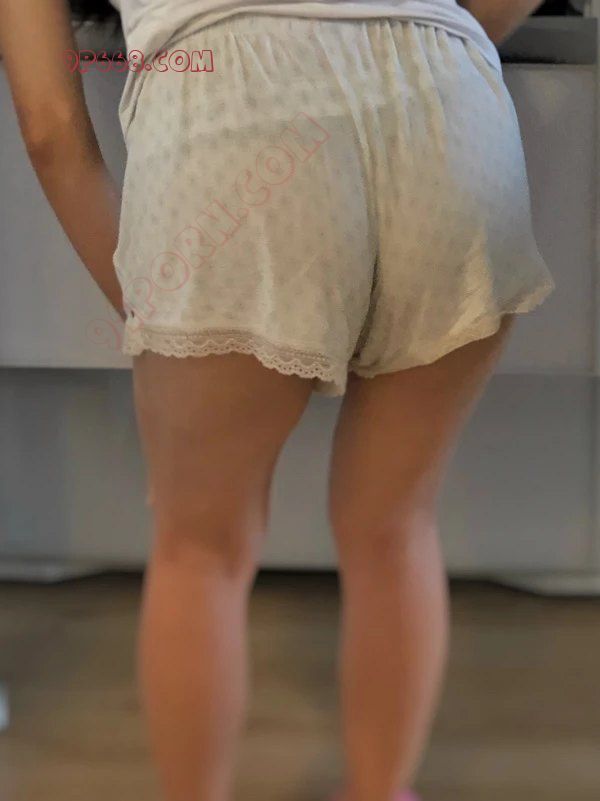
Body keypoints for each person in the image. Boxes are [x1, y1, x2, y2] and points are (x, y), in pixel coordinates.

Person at [0, 1, 555, 800]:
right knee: (396, 524)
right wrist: (436, 29)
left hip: (234, 107)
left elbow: (50, 127)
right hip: (450, 108)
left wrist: (157, 308)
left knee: (201, 547)